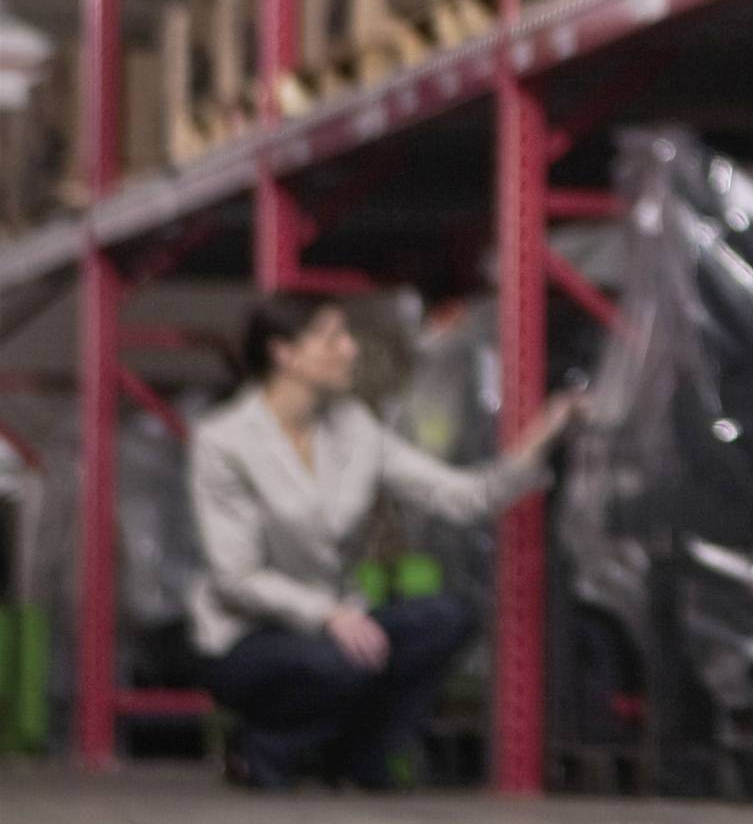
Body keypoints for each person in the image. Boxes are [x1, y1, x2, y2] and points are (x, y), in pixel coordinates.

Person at [187, 291, 576, 789]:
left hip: (338, 624)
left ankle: (358, 758)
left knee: (445, 618)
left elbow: (462, 496)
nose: (350, 349)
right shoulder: (225, 441)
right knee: (340, 662)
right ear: (283, 353)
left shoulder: (355, 428)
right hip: (245, 637)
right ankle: (265, 748)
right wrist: (326, 614)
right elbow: (234, 577)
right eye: (332, 338)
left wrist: (546, 430)